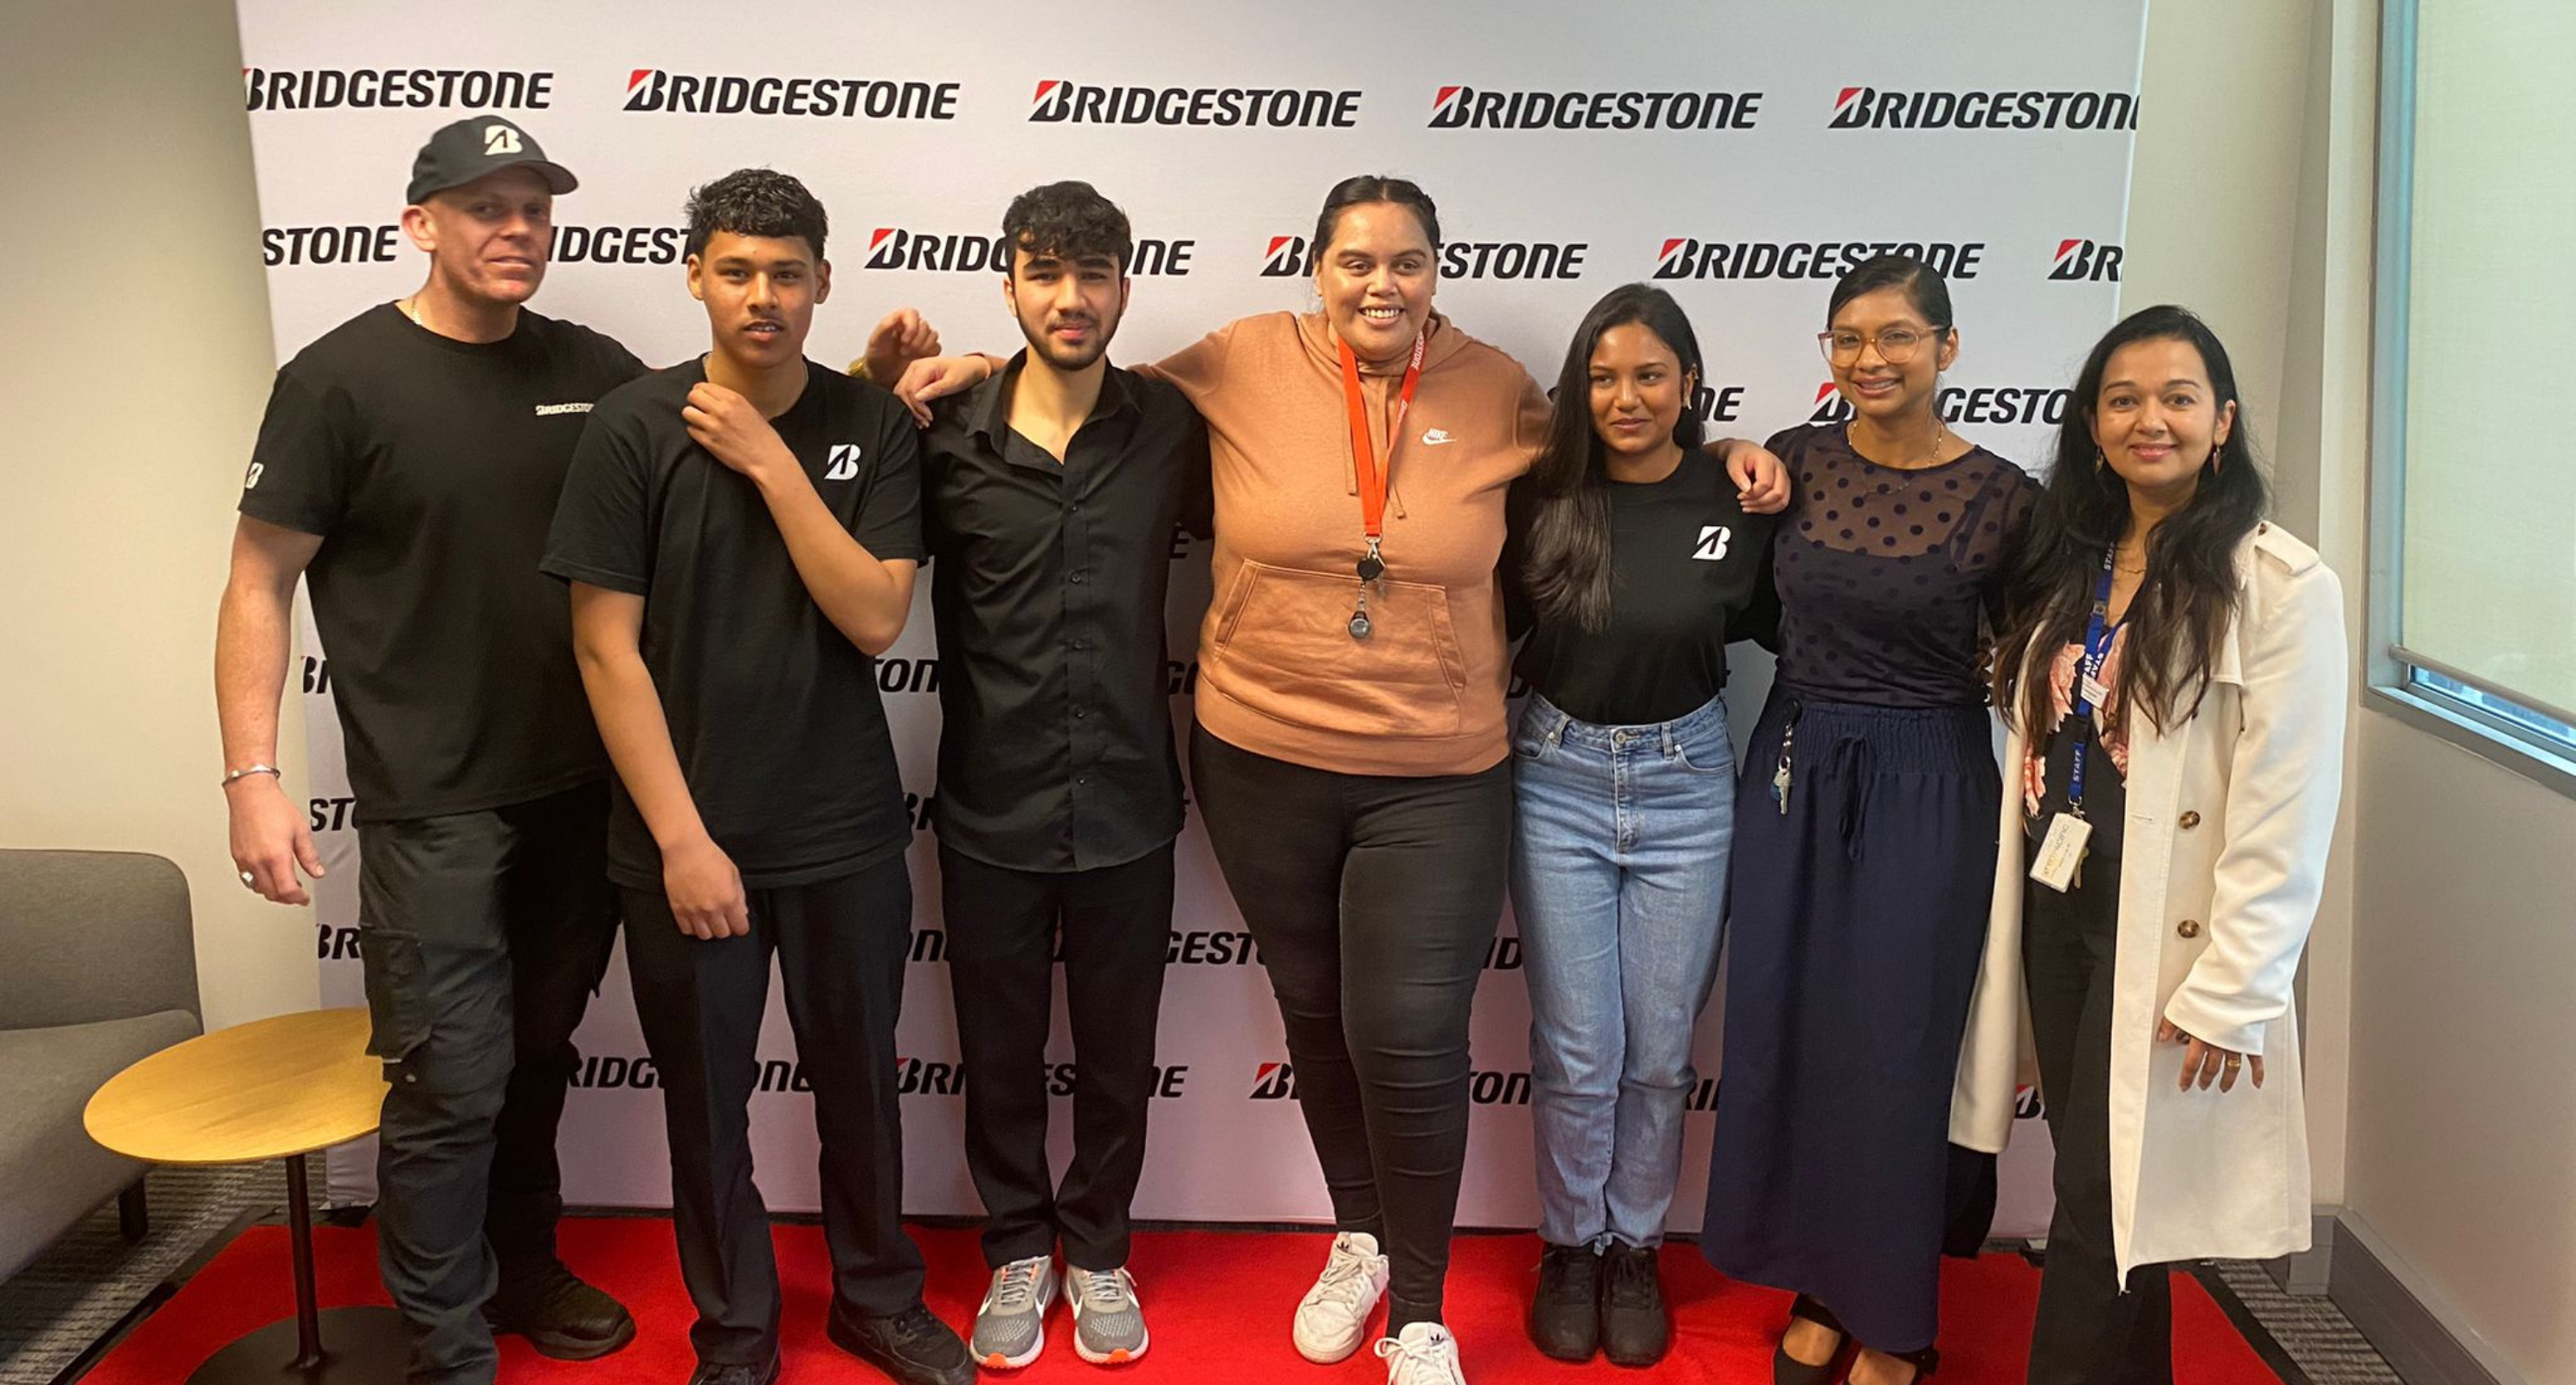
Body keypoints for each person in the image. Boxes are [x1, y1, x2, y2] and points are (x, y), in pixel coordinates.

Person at [898, 178, 1787, 1385]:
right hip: (1260, 760)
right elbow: (1079, 387)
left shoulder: (1499, 393)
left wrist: (1734, 451)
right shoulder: (1237, 361)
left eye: (1407, 262)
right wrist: (957, 368)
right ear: (1314, 268)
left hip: (1437, 775)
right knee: (1315, 1017)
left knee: (1409, 1033)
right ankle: (1358, 1239)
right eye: (1356, 261)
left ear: (1436, 272)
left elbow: (1623, 454)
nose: (1382, 284)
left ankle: (1419, 1308)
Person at [217, 115, 645, 1384]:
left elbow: (729, 429)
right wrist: (253, 779)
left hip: (584, 786)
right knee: (451, 1080)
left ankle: (523, 1270)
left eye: (534, 208)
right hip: (434, 802)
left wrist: (881, 385)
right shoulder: (339, 380)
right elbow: (257, 581)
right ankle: (447, 1342)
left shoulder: (596, 365)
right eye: (484, 208)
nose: (517, 230)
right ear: (421, 225)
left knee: (538, 1054)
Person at [541, 168, 969, 1385]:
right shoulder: (631, 425)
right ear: (696, 276)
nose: (763, 296)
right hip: (686, 843)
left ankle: (875, 1298)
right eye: (737, 270)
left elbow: (878, 616)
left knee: (862, 1090)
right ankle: (734, 1330)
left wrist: (776, 464)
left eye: (787, 273)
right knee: (706, 1106)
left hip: (840, 826)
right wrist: (682, 841)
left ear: (824, 283)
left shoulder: (871, 424)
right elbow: (600, 646)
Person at [1974, 306, 2344, 1384]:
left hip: (2165, 925)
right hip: (2060, 900)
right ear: (2093, 426)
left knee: (2098, 1199)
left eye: (2179, 398)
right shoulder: (2073, 560)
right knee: (2109, 1199)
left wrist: (2238, 983)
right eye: (2124, 400)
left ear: (2221, 421)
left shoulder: (2280, 585)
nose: (2152, 420)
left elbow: (2289, 803)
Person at [1696, 254, 2039, 1385]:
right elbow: (1699, 515)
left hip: (1930, 779)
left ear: (1948, 348)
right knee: (1795, 1031)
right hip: (1796, 763)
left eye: (1896, 337)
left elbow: (2045, 663)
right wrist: (1716, 452)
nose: (1870, 359)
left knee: (1897, 1048)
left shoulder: (2003, 498)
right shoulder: (1791, 460)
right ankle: (1819, 1281)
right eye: (1847, 338)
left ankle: (1896, 1318)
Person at [907, 181, 1208, 1370]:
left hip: (1133, 801)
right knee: (999, 1053)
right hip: (989, 805)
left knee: (1120, 1057)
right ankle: (1017, 1247)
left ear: (1126, 284)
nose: (1071, 298)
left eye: (1093, 274)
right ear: (1010, 283)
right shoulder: (946, 435)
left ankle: (1099, 1248)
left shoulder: (1171, 428)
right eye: (1046, 273)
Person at [1500, 284, 1777, 1369]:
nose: (1626, 397)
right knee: (1579, 1047)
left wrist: (1755, 454)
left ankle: (1634, 1247)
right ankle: (1567, 1245)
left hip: (1688, 784)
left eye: (1649, 375)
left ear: (1690, 386)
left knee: (1660, 1053)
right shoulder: (1540, 497)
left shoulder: (1737, 495)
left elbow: (1780, 628)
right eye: (1604, 377)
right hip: (1559, 778)